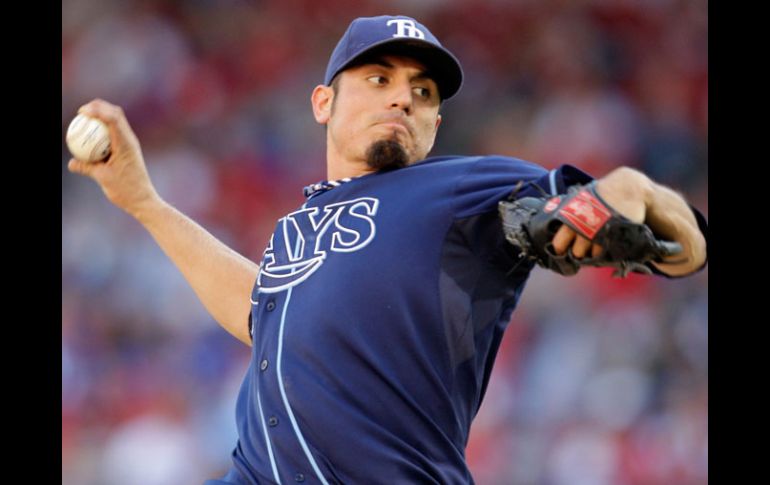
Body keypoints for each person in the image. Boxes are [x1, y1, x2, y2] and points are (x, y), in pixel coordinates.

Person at [67, 14, 707, 485]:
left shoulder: (460, 189)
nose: (404, 96)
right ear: (323, 103)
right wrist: (144, 203)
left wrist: (633, 192)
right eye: (378, 78)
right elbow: (259, 312)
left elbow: (684, 243)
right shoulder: (301, 225)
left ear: (435, 125)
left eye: (424, 93)